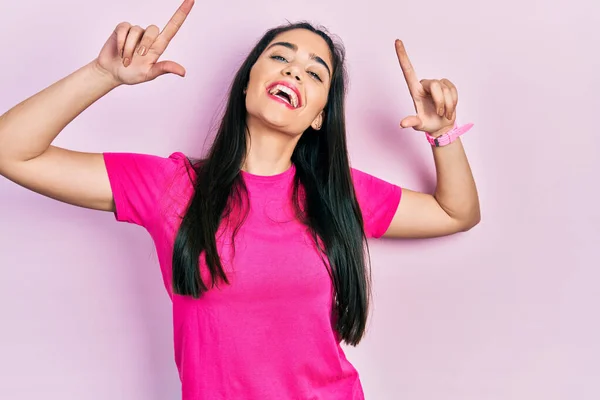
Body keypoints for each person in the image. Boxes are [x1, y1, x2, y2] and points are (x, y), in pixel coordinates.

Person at [0, 0, 480, 398]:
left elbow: (456, 211)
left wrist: (443, 135)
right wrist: (103, 74)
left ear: (319, 116)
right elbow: (11, 150)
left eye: (315, 73)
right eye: (280, 56)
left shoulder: (338, 193)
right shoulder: (172, 186)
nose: (294, 69)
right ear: (248, 80)